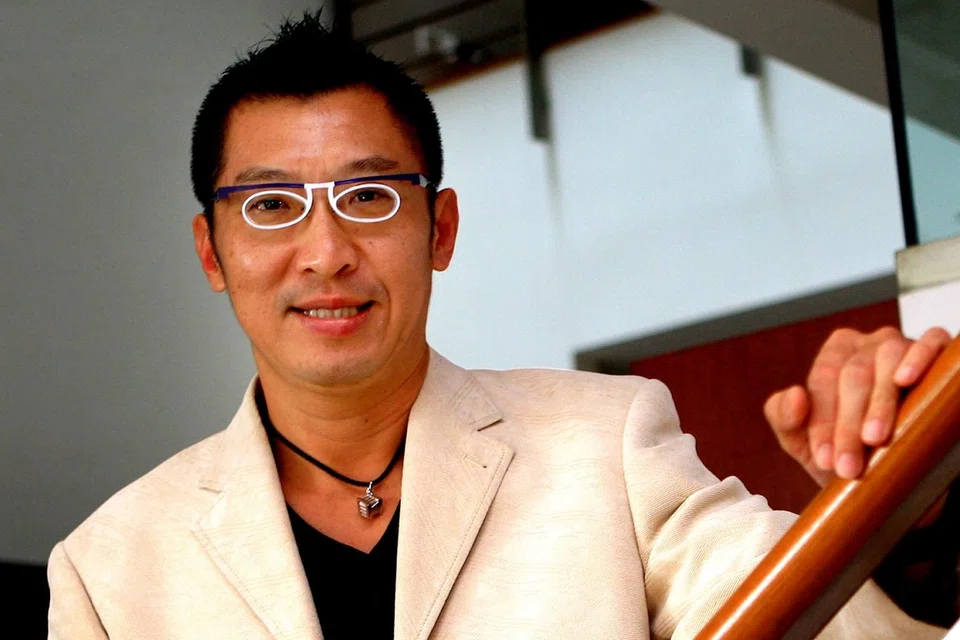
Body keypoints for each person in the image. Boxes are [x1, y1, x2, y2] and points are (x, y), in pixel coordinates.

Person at [47, 12, 953, 639]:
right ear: (211, 252)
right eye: (272, 205)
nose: (325, 253)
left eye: (369, 196)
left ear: (439, 230)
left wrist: (905, 503)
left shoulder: (605, 447)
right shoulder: (111, 567)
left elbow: (811, 619)